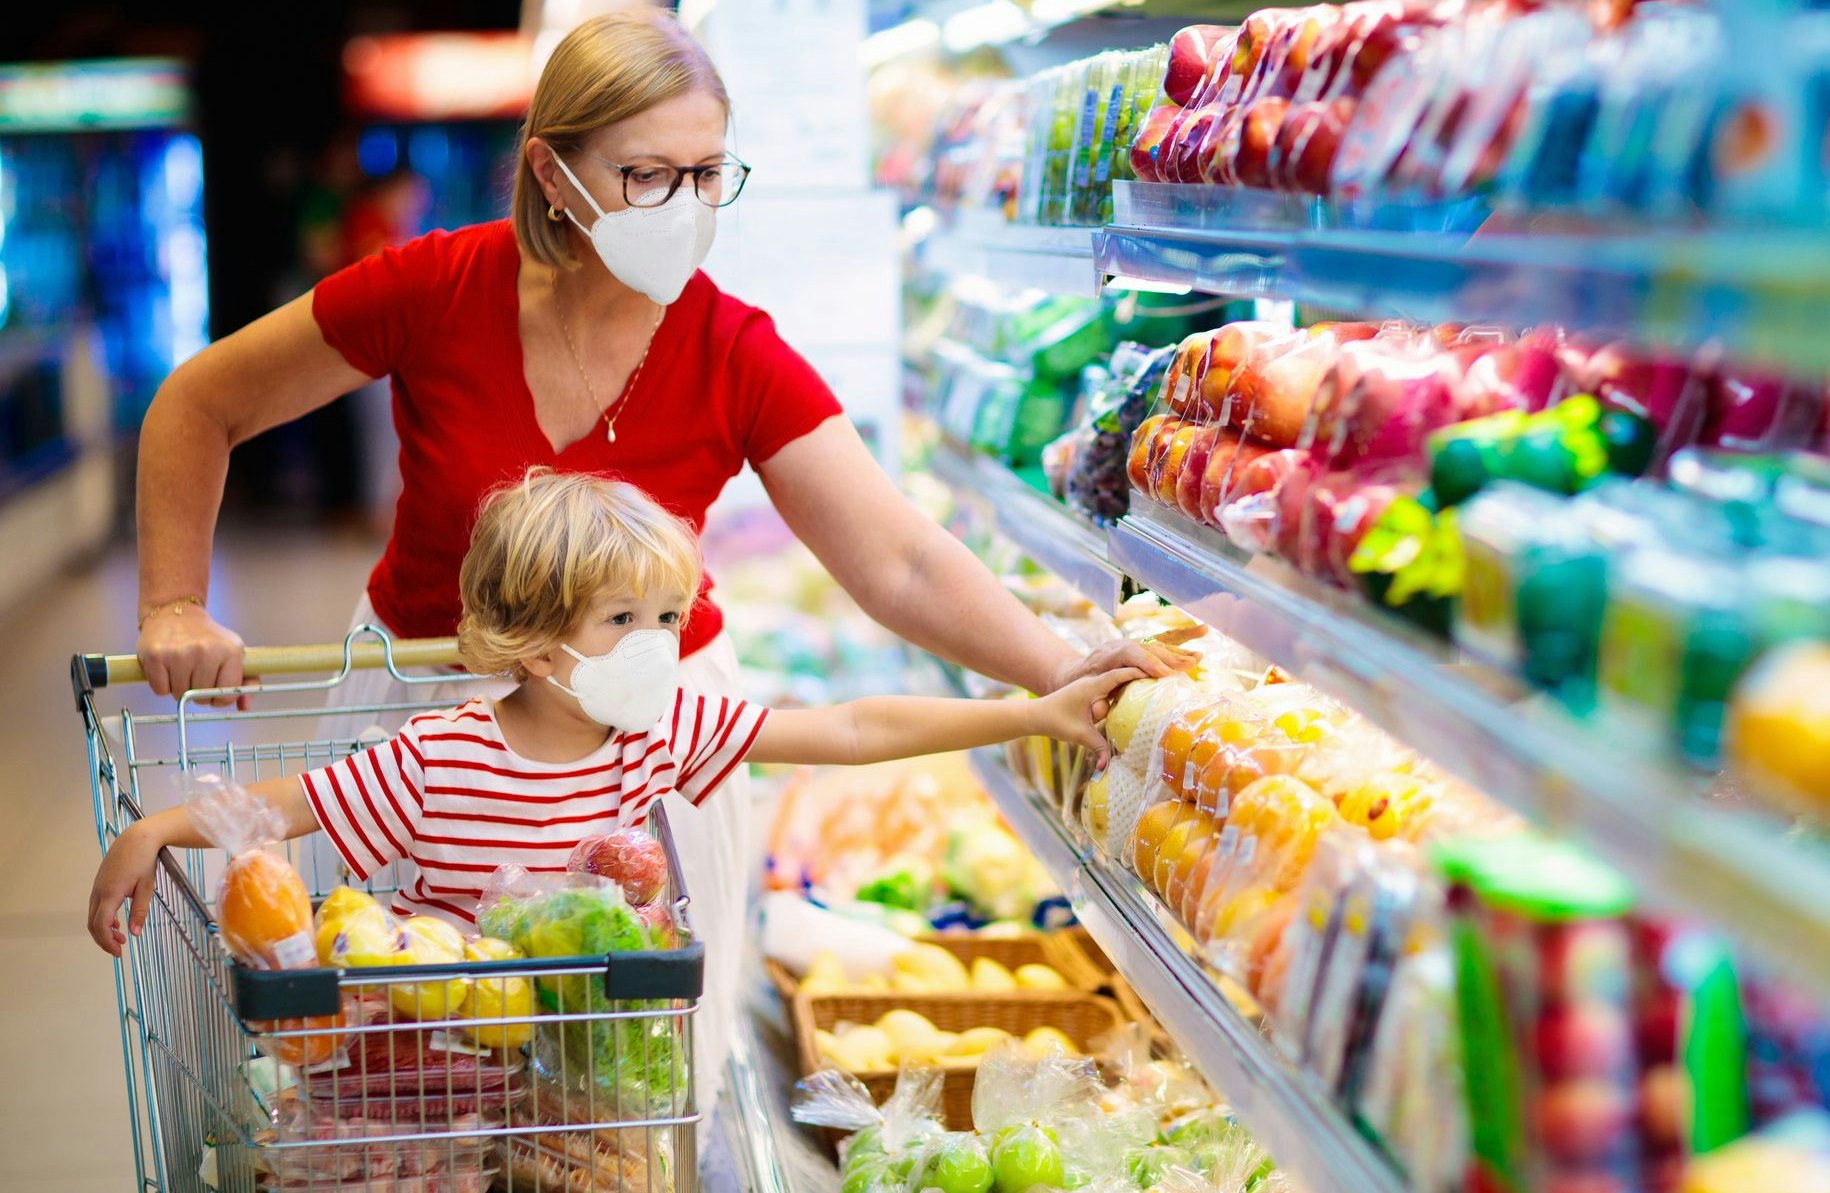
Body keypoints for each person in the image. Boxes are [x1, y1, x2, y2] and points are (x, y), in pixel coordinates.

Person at [124, 8, 1178, 1104]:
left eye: (709, 173)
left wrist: (1055, 668)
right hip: (426, 724)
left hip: (642, 739)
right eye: (645, 174)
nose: (683, 206)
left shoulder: (733, 349)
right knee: (407, 1056)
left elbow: (899, 560)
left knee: (623, 1087)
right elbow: (201, 404)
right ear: (552, 171)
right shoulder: (432, 289)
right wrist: (171, 602)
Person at [90, 469, 1139, 950]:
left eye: (671, 615)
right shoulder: (436, 756)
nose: (658, 644)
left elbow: (855, 729)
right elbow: (289, 805)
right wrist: (154, 827)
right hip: (448, 1063)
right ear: (538, 646)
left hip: (600, 1073)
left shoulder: (662, 729)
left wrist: (1034, 710)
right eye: (623, 618)